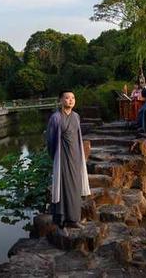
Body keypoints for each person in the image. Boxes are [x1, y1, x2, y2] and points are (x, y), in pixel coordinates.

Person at [45, 90, 91, 233]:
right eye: (67, 98)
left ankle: (74, 219)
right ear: (61, 101)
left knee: (75, 187)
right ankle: (61, 221)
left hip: (76, 157)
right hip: (62, 157)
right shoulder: (56, 118)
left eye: (72, 98)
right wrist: (55, 157)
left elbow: (78, 138)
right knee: (63, 186)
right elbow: (51, 140)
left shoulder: (76, 116)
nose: (70, 100)